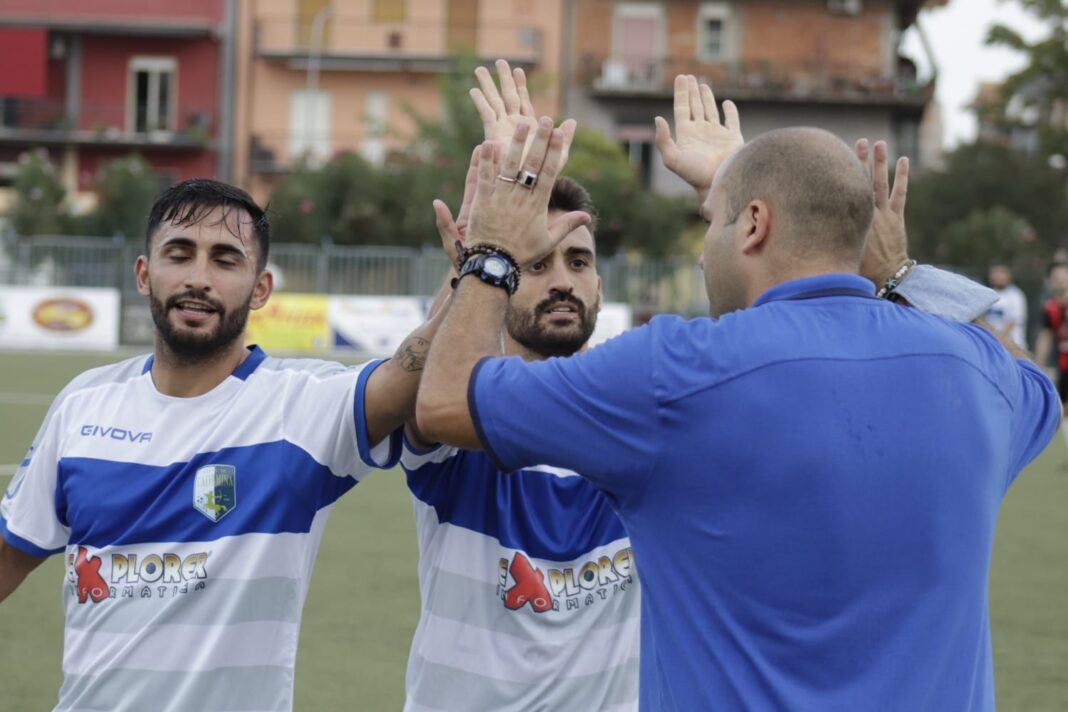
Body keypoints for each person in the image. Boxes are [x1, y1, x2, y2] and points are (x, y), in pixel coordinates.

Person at [414, 77, 1061, 709]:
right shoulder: (976, 374)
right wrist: (896, 271)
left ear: (753, 225)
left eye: (712, 220)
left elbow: (445, 400)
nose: (701, 254)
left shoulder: (676, 372)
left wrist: (493, 251)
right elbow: (1040, 390)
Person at [0, 179, 429, 711]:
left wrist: (485, 259)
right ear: (143, 273)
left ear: (260, 288)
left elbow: (412, 378)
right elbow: (8, 556)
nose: (198, 279)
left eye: (226, 260)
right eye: (179, 255)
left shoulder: (303, 406)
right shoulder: (83, 404)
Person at [400, 61, 639, 711]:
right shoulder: (456, 417)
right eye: (535, 263)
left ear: (600, 287)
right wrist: (486, 249)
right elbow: (426, 385)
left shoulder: (640, 419)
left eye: (578, 262)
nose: (561, 280)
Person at [1034, 262, 1068, 457]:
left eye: (1065, 274)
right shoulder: (1050, 307)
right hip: (1064, 365)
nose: (1061, 279)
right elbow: (1045, 336)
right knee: (1062, 410)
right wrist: (1037, 365)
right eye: (1056, 276)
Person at [986, 263, 1028, 349]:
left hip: (1012, 347)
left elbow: (1013, 322)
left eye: (1002, 273)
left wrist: (999, 339)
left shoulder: (1015, 295)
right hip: (993, 344)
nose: (997, 276)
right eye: (995, 273)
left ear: (1009, 276)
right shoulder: (988, 294)